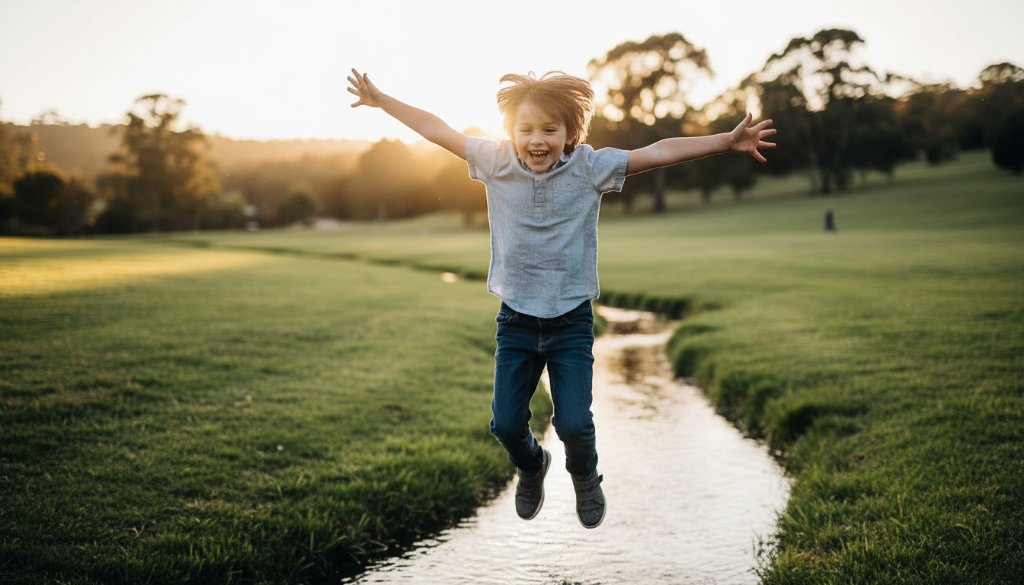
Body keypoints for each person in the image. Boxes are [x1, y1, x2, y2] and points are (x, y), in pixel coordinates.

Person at [347, 68, 775, 529]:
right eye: (525, 129)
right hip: (515, 322)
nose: (537, 139)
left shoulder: (590, 168)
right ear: (510, 132)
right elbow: (438, 129)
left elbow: (657, 151)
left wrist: (722, 141)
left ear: (571, 133)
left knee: (573, 424)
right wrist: (382, 100)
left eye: (549, 130)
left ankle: (584, 474)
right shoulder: (495, 162)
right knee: (506, 424)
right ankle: (532, 466)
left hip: (571, 323)